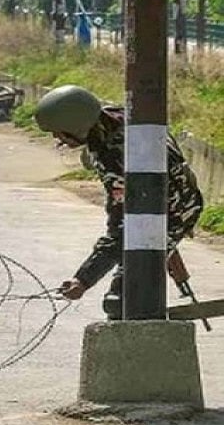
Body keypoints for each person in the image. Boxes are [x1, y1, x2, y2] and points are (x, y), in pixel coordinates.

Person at [35, 85, 205, 318]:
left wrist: (83, 279)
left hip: (173, 212)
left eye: (60, 132)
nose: (57, 138)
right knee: (133, 282)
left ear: (77, 127)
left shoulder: (117, 156)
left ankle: (144, 333)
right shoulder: (120, 118)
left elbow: (122, 229)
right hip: (170, 202)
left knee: (123, 297)